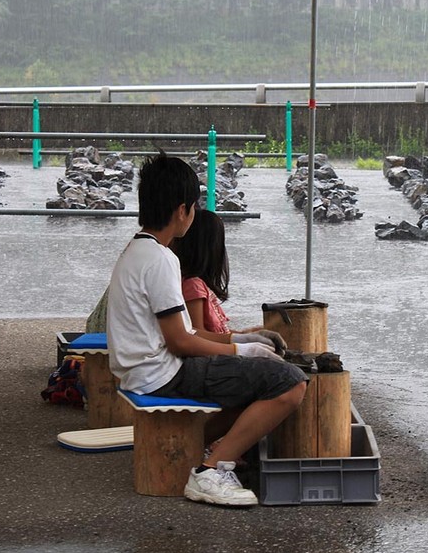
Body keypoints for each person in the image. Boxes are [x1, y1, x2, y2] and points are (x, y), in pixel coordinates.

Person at [106, 152, 307, 507]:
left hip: (141, 370)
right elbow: (182, 343)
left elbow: (186, 331)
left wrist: (240, 338)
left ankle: (189, 448)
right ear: (183, 210)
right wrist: (242, 352)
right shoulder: (162, 259)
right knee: (289, 382)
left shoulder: (135, 251)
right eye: (194, 207)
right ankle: (211, 471)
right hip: (162, 373)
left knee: (256, 381)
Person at [171, 207, 284, 349]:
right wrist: (242, 346)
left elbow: (218, 334)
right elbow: (196, 336)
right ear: (212, 247)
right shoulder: (193, 286)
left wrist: (248, 334)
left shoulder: (198, 284)